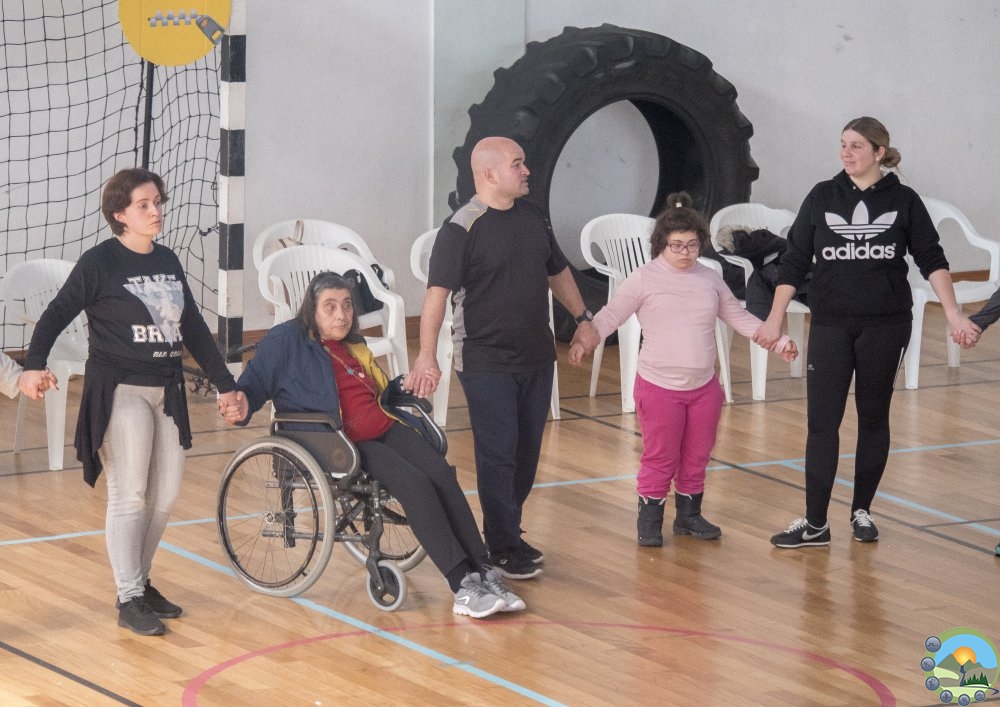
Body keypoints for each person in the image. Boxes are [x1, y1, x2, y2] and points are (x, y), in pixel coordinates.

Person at [18, 168, 244, 636]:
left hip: (167, 389)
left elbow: (193, 328)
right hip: (119, 389)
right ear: (119, 214)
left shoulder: (168, 260)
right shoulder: (99, 262)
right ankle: (129, 596)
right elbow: (56, 314)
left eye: (158, 202)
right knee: (131, 494)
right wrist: (33, 367)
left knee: (166, 494)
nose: (155, 210)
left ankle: (139, 582)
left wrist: (226, 384)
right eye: (143, 204)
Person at [225, 271, 525, 619]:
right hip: (340, 442)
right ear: (312, 310)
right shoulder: (285, 342)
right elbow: (253, 386)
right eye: (330, 307)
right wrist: (241, 404)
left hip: (384, 425)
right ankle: (462, 584)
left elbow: (374, 392)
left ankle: (484, 570)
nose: (341, 315)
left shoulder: (353, 344)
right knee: (415, 485)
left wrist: (402, 385)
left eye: (347, 306)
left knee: (442, 474)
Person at [756, 117, 980, 549]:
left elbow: (932, 258)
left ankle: (862, 510)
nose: (847, 153)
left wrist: (954, 315)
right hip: (831, 325)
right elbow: (794, 261)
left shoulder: (904, 200)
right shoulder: (822, 195)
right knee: (822, 422)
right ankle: (815, 524)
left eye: (857, 145)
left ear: (879, 152)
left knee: (873, 416)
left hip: (886, 326)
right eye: (843, 144)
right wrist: (774, 318)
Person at [405, 136, 596, 580]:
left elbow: (557, 271)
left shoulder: (533, 218)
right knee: (499, 453)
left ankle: (507, 531)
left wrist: (583, 317)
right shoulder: (460, 229)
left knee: (527, 453)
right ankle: (503, 543)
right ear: (490, 174)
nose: (526, 171)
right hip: (485, 361)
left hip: (537, 357)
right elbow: (436, 297)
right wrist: (426, 356)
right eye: (517, 164)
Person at [568, 192, 798, 546]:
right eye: (677, 245)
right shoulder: (643, 279)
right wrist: (585, 339)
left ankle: (689, 516)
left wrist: (779, 342)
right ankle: (649, 521)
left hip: (704, 389)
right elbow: (612, 314)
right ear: (661, 244)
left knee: (697, 455)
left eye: (692, 245)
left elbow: (738, 317)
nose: (685, 252)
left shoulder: (710, 279)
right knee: (661, 456)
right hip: (659, 388)